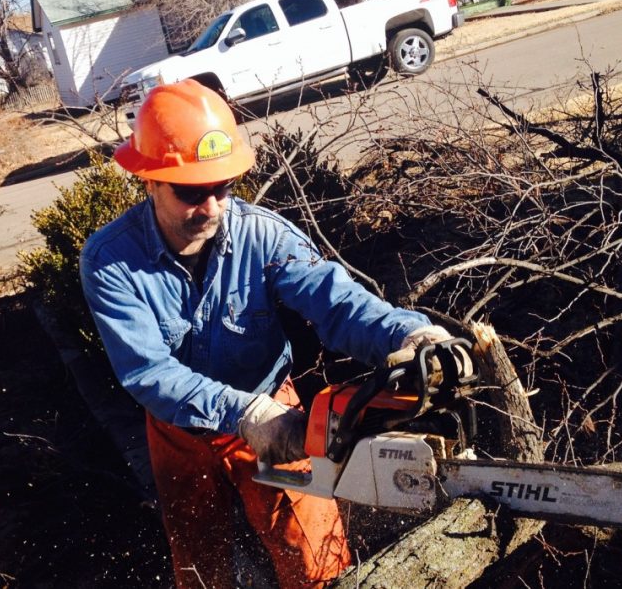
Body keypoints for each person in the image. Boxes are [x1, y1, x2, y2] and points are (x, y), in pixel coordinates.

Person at [80, 80, 451, 589]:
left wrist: (408, 336)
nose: (210, 207)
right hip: (180, 428)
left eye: (221, 187)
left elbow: (335, 301)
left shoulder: (263, 235)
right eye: (191, 191)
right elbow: (149, 371)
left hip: (271, 406)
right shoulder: (110, 261)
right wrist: (242, 413)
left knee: (315, 555)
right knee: (197, 558)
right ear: (149, 181)